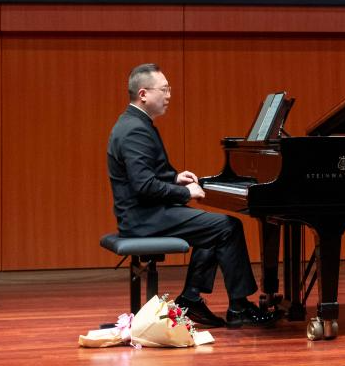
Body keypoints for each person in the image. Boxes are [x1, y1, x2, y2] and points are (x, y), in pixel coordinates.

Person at [107, 63, 278, 329]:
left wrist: (174, 177)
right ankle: (239, 306)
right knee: (227, 226)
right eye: (164, 89)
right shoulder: (134, 130)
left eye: (169, 89)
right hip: (142, 218)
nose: (169, 95)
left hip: (147, 212)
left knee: (212, 228)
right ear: (143, 94)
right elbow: (144, 187)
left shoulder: (134, 123)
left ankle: (191, 298)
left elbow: (145, 175)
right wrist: (184, 191)